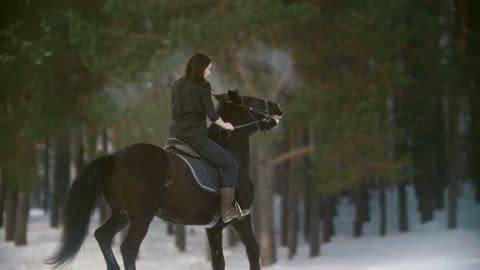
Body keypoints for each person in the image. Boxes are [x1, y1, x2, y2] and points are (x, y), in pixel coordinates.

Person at [169, 53, 242, 223]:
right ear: (201, 69)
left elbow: (173, 113)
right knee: (231, 164)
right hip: (195, 138)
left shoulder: (177, 85)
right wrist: (226, 125)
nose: (209, 73)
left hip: (175, 135)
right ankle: (227, 209)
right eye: (208, 69)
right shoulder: (202, 86)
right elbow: (212, 114)